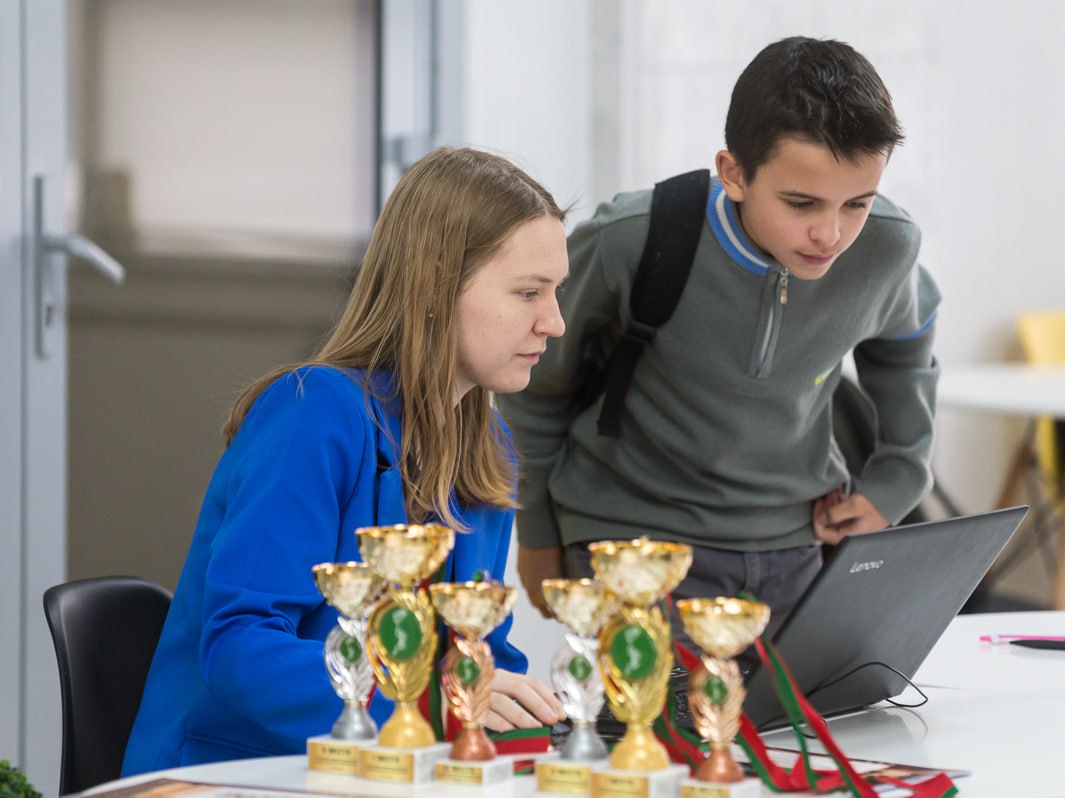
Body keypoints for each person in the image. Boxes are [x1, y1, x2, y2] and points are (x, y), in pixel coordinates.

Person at [123, 146, 569, 775]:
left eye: (555, 293)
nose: (554, 322)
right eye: (528, 293)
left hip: (390, 772)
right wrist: (435, 704)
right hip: (240, 773)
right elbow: (240, 650)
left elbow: (478, 651)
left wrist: (524, 710)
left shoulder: (487, 444)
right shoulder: (313, 413)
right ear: (437, 287)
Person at [498, 36, 940, 639]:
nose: (831, 234)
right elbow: (536, 386)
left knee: (817, 708)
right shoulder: (631, 238)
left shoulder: (888, 245)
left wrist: (900, 478)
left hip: (798, 547)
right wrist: (536, 533)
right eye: (801, 203)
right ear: (733, 174)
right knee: (657, 708)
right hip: (631, 543)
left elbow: (907, 348)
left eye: (857, 203)